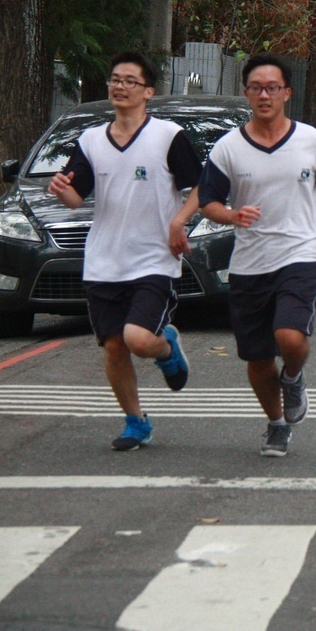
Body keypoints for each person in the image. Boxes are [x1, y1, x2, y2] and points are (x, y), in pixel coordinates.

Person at [198, 53, 316, 457]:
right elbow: (208, 202)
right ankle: (276, 424)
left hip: (303, 250)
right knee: (257, 358)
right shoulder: (228, 148)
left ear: (287, 92)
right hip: (250, 261)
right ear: (246, 93)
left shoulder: (313, 140)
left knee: (289, 335)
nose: (264, 95)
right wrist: (232, 215)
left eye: (272, 88)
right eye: (256, 88)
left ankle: (296, 376)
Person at [49, 51, 200, 451]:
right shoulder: (90, 140)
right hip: (103, 261)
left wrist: (178, 221)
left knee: (136, 338)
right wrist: (64, 192)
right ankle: (136, 421)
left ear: (148, 91)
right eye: (114, 79)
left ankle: (166, 346)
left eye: (129, 80)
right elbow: (76, 196)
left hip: (154, 258)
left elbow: (200, 188)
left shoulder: (167, 136)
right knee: (114, 345)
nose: (119, 86)